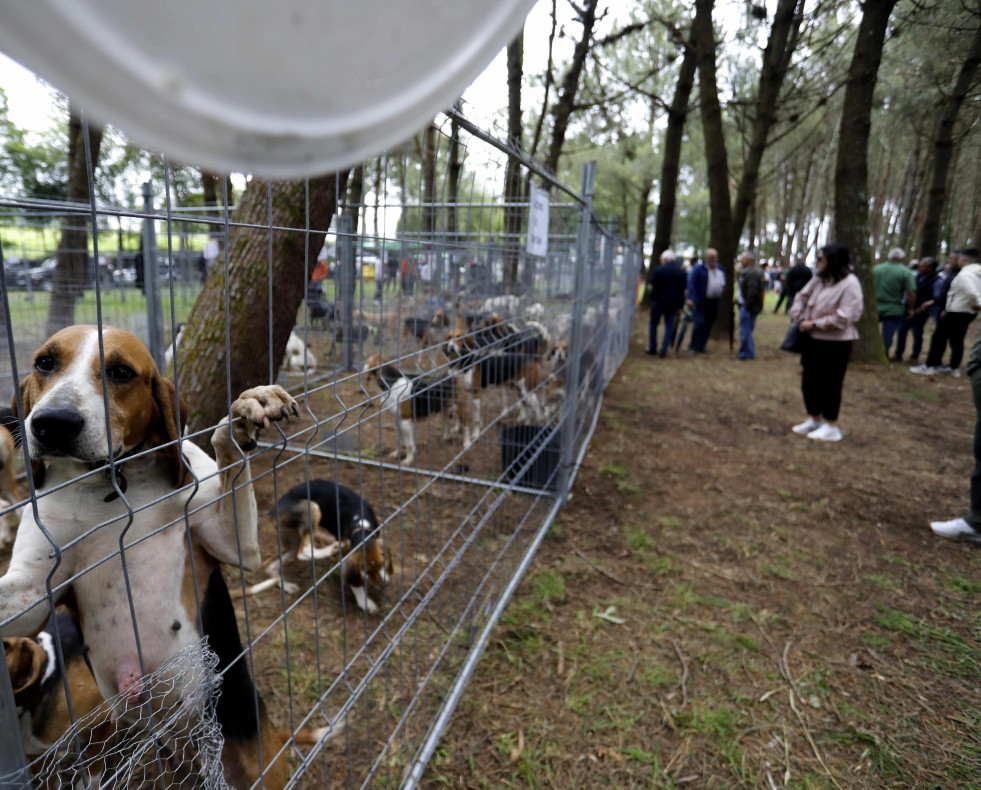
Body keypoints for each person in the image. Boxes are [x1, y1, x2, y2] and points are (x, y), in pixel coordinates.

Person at [789, 242, 864, 442]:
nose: (817, 262)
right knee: (809, 382)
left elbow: (845, 317)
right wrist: (798, 313)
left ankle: (831, 426)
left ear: (833, 261)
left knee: (830, 384)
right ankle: (815, 419)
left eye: (821, 258)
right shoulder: (819, 279)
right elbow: (802, 296)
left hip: (836, 343)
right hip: (812, 341)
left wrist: (814, 324)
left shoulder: (850, 283)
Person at [931, 255, 981, 541]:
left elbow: (975, 296)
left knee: (951, 342)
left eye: (958, 256)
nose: (954, 260)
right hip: (961, 317)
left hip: (960, 314)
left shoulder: (966, 274)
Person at [911, 248, 980, 376]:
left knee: (939, 337)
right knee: (956, 340)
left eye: (954, 258)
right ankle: (953, 367)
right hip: (964, 311)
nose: (950, 261)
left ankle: (931, 365)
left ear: (963, 259)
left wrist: (977, 304)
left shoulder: (965, 274)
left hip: (957, 311)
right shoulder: (975, 273)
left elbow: (971, 292)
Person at [893, 257, 940, 364]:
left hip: (921, 311)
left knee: (917, 333)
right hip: (908, 308)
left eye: (922, 265)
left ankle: (915, 356)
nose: (919, 266)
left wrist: (925, 305)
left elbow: (937, 297)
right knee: (901, 331)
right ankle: (898, 354)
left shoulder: (937, 280)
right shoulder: (916, 277)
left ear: (930, 267)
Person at [873, 247, 915, 360]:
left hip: (874, 306)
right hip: (894, 308)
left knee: (871, 331)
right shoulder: (905, 272)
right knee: (888, 334)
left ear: (889, 257)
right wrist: (911, 308)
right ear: (903, 258)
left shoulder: (876, 269)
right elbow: (911, 292)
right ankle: (883, 355)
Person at [646, 248, 687, 356]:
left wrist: (652, 298)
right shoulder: (681, 272)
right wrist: (680, 306)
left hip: (658, 302)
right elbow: (683, 292)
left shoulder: (659, 270)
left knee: (654, 323)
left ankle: (653, 347)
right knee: (669, 326)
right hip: (673, 304)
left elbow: (651, 287)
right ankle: (663, 350)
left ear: (665, 259)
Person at [686, 248, 725, 354]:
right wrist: (691, 298)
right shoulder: (699, 269)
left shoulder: (720, 269)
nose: (714, 259)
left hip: (714, 302)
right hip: (701, 302)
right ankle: (693, 346)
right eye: (711, 257)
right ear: (706, 257)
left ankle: (701, 345)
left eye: (715, 257)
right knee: (699, 324)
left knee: (708, 325)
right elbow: (692, 284)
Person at [735, 250, 764, 360]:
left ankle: (745, 353)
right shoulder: (747, 271)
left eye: (743, 259)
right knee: (746, 330)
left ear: (749, 260)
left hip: (748, 307)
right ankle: (749, 352)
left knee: (745, 331)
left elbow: (752, 292)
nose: (741, 261)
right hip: (746, 305)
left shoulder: (752, 273)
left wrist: (747, 305)